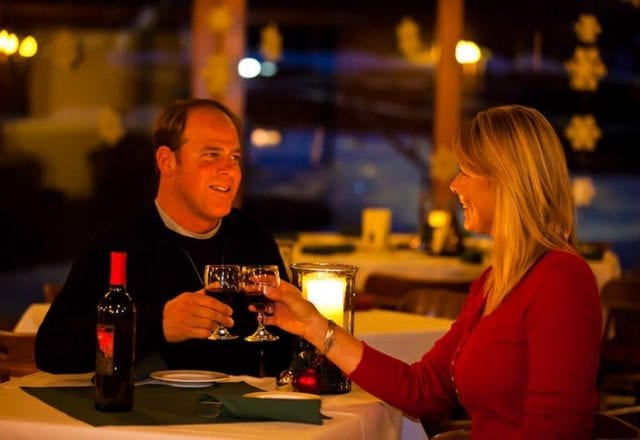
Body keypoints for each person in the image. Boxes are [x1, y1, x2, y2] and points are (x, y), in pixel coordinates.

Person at [258, 105, 603, 438]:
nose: (454, 185)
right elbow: (422, 389)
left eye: (466, 172)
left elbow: (557, 431)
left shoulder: (561, 279)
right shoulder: (495, 283)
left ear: (506, 182)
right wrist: (314, 326)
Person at [36, 98, 292, 377]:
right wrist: (158, 324)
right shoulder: (119, 244)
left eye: (235, 157)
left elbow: (288, 344)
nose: (229, 170)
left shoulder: (251, 237)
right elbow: (52, 349)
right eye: (211, 154)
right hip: (149, 416)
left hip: (245, 415)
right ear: (167, 162)